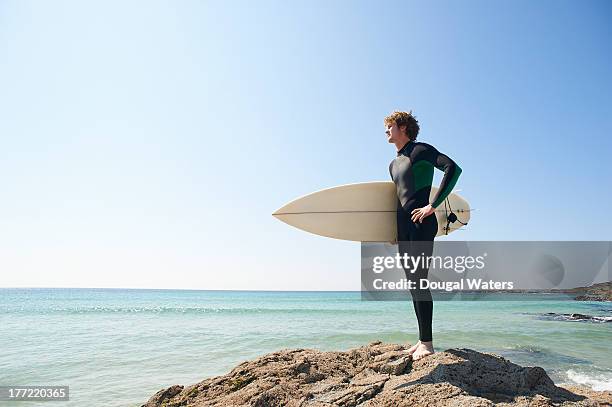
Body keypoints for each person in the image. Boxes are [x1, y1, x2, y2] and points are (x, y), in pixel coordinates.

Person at [385, 110, 462, 360]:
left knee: (419, 281)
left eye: (390, 126)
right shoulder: (393, 164)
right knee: (412, 284)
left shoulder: (422, 150)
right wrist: (395, 231)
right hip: (405, 228)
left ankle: (428, 344)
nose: (386, 131)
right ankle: (421, 340)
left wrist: (433, 205)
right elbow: (399, 200)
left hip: (422, 223)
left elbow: (453, 169)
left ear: (403, 127)